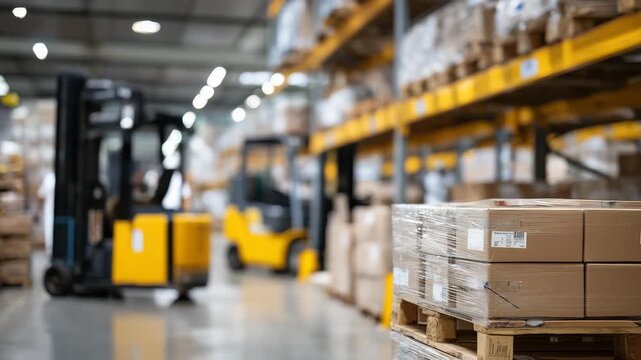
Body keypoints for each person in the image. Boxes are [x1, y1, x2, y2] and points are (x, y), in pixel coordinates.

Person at [37, 171, 55, 257]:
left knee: (50, 231)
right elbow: (41, 196)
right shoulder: (49, 178)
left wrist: (38, 211)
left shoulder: (49, 179)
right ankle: (51, 253)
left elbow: (41, 196)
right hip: (50, 211)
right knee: (50, 232)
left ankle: (51, 252)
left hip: (50, 212)